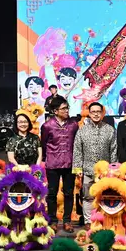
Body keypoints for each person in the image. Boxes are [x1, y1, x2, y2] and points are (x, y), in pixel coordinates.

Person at [73, 102, 117, 230]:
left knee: (105, 197)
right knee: (87, 197)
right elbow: (77, 150)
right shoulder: (82, 131)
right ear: (89, 113)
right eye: (93, 112)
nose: (96, 114)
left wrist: (113, 170)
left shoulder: (109, 130)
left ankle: (105, 221)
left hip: (105, 172)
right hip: (87, 171)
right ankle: (88, 222)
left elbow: (113, 150)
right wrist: (78, 169)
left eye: (99, 111)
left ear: (102, 113)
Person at [41, 97, 80, 233]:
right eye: (63, 108)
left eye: (67, 108)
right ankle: (53, 221)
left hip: (70, 163)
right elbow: (44, 144)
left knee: (69, 193)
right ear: (55, 111)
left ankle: (67, 221)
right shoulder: (47, 126)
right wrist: (46, 158)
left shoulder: (74, 125)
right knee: (52, 193)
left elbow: (77, 144)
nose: (66, 110)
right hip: (52, 164)